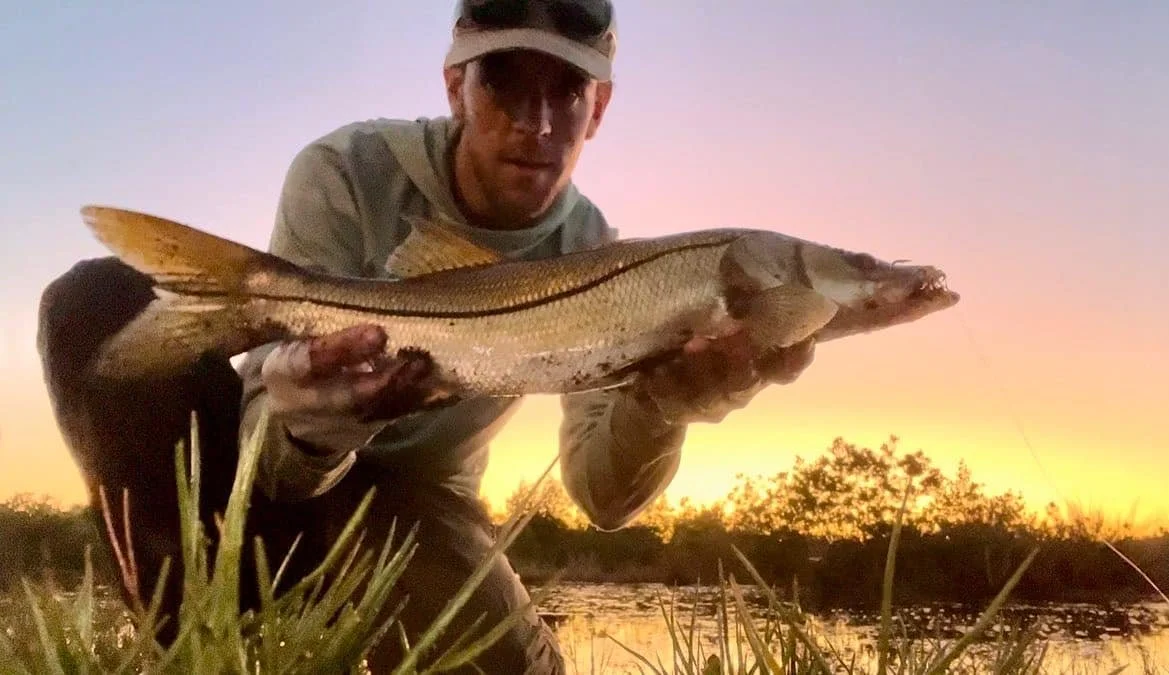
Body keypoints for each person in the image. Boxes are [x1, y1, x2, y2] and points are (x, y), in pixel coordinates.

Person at [37, 1, 816, 672]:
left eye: (566, 92)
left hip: (418, 502)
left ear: (599, 108)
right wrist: (315, 421)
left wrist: (664, 406)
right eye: (502, 82)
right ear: (455, 86)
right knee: (95, 301)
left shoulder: (605, 255)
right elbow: (270, 462)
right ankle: (189, 636)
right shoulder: (345, 168)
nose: (535, 122)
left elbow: (604, 499)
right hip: (256, 467)